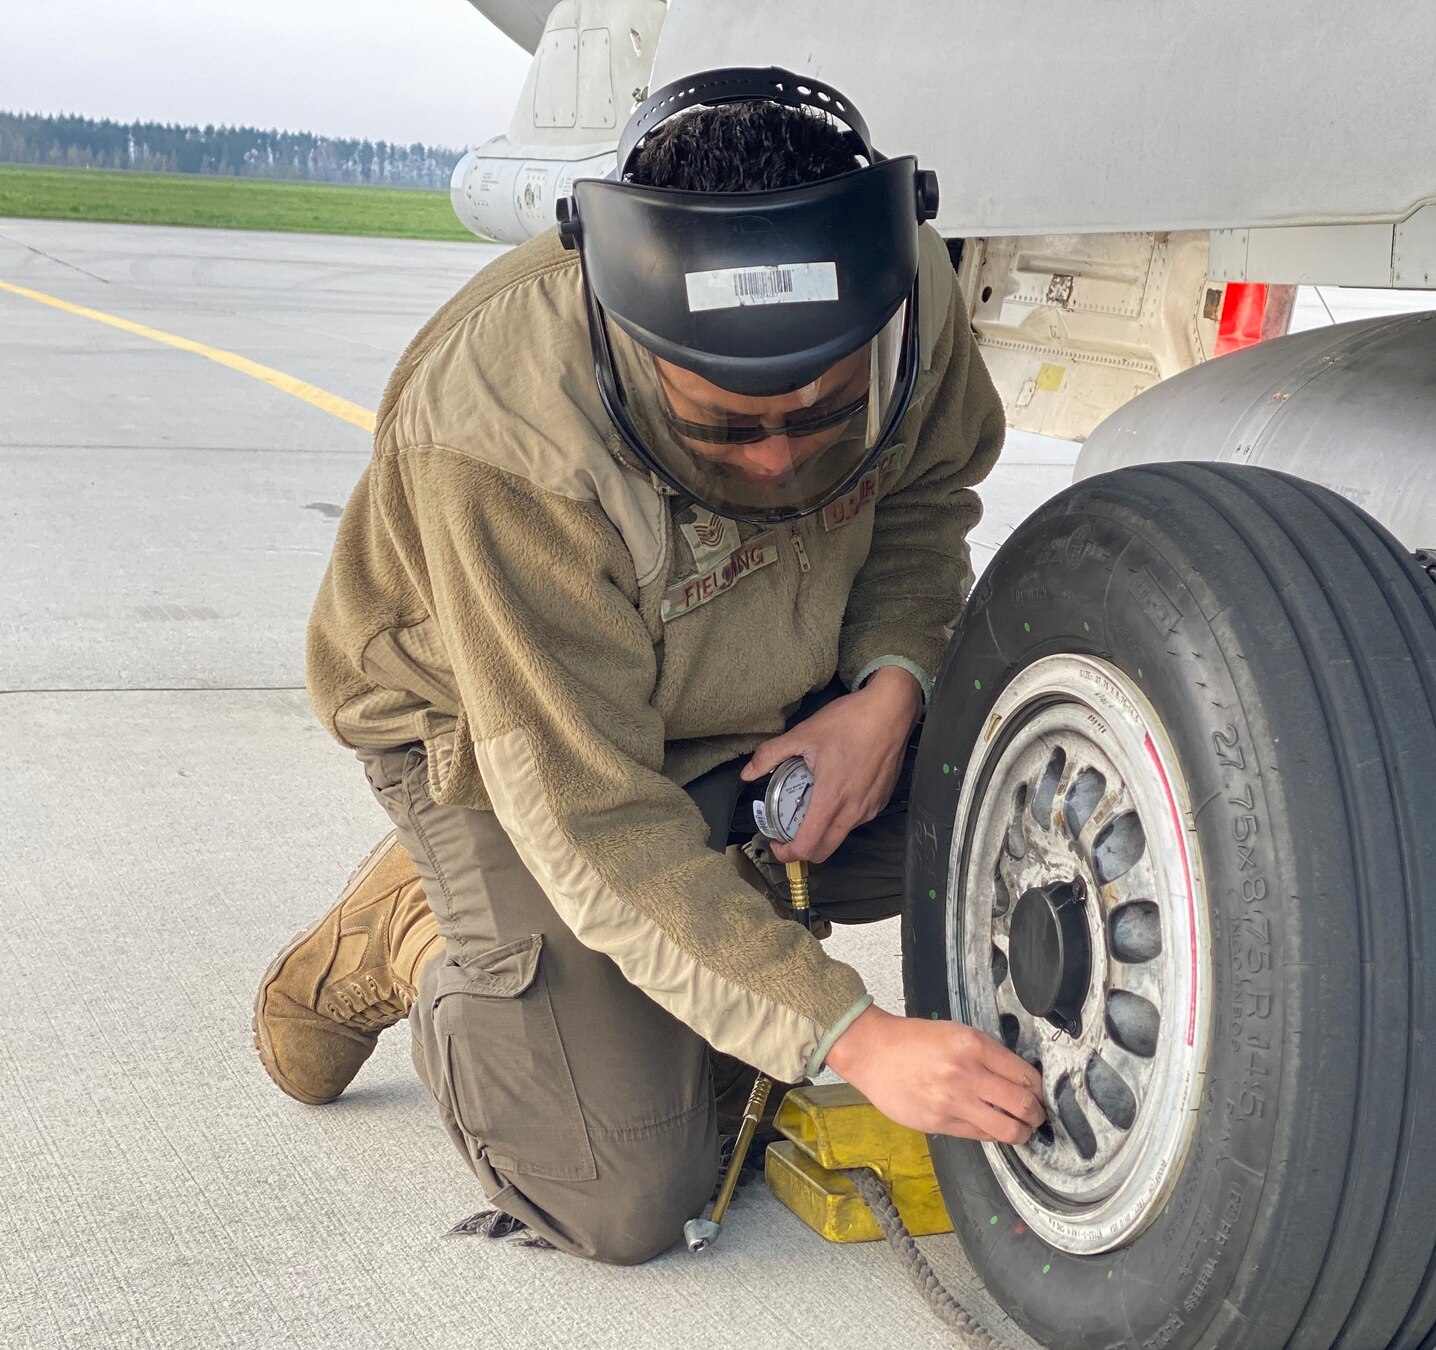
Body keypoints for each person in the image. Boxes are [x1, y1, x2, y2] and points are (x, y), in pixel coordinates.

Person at [252, 68, 1045, 1265]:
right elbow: (593, 811)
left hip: (756, 693)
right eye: (726, 426)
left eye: (824, 414)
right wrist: (848, 1035)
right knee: (626, 1192)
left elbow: (927, 501)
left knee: (997, 796)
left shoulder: (900, 288)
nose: (778, 463)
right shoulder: (502, 434)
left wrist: (889, 693)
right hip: (506, 735)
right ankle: (415, 929)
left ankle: (628, 923)